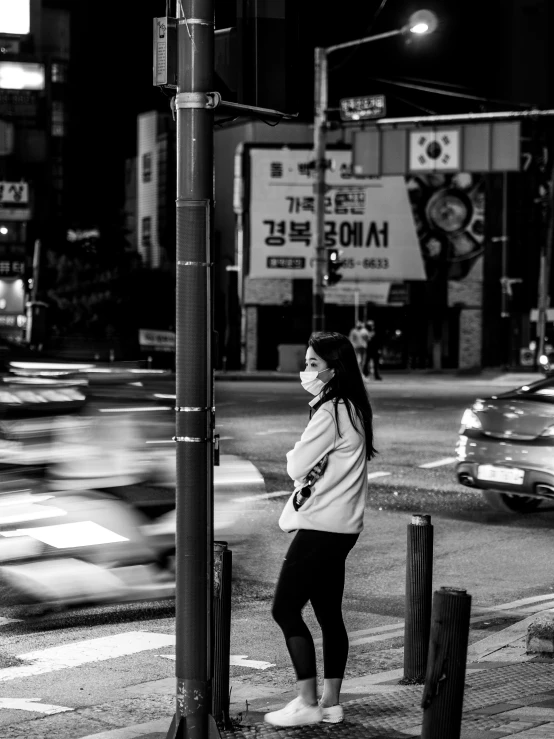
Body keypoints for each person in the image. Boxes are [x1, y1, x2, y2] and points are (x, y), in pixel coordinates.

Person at [264, 331, 377, 728]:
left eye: (313, 364)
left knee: (284, 609)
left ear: (334, 370)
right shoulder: (357, 409)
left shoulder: (330, 411)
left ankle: (306, 701)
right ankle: (331, 703)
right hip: (344, 528)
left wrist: (296, 454)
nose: (306, 371)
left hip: (320, 527)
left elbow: (296, 467)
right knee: (329, 614)